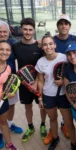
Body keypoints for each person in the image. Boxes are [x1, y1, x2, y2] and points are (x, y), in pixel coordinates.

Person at [43, 14, 76, 143]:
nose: (63, 26)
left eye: (66, 23)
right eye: (61, 23)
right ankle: (53, 134)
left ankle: (69, 134)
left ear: (69, 26)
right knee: (52, 117)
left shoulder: (75, 39)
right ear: (57, 26)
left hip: (65, 88)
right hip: (50, 90)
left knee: (68, 118)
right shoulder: (52, 41)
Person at [35, 35, 76, 150]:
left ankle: (74, 143)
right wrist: (40, 98)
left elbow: (72, 73)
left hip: (63, 95)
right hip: (48, 95)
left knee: (68, 122)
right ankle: (55, 138)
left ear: (54, 45)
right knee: (52, 119)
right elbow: (40, 80)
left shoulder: (64, 58)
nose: (48, 47)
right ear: (42, 47)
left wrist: (63, 81)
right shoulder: (40, 62)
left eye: (50, 44)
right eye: (45, 44)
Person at [12, 18, 47, 142]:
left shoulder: (40, 47)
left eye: (30, 30)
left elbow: (43, 66)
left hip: (39, 83)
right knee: (28, 107)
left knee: (42, 106)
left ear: (34, 31)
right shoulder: (16, 46)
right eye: (25, 29)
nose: (27, 32)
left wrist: (37, 82)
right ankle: (30, 127)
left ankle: (43, 125)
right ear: (21, 29)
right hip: (24, 85)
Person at [0, 20, 23, 148]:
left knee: (11, 105)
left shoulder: (13, 44)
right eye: (0, 32)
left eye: (5, 31)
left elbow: (25, 44)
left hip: (11, 82)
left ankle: (10, 124)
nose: (2, 34)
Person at [0, 40, 18, 150]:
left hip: (3, 101)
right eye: (1, 49)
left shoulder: (10, 66)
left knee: (3, 122)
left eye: (7, 50)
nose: (4, 52)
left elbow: (11, 83)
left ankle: (9, 144)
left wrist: (11, 92)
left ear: (10, 52)